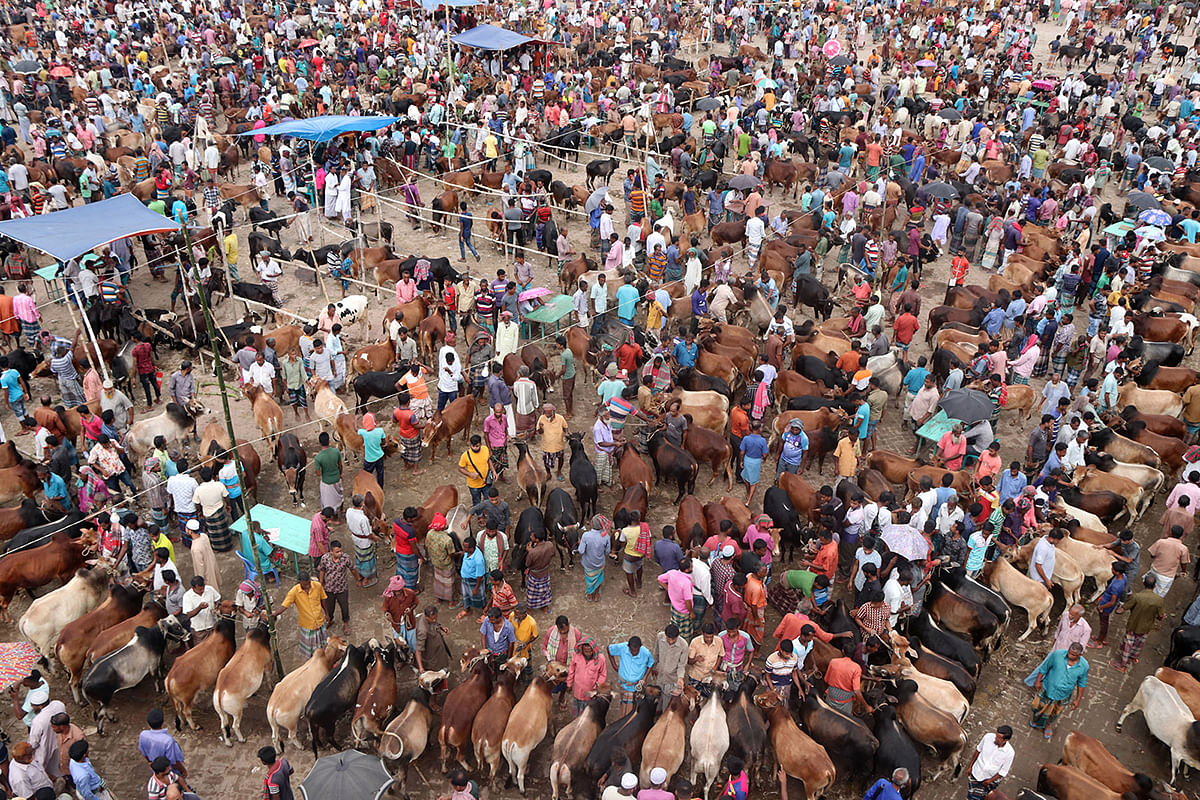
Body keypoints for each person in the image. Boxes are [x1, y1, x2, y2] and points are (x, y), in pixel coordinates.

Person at [1029, 642, 1088, 738]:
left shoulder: (1084, 666)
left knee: (1055, 712)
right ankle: (1036, 720)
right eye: (1069, 652)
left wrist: (1078, 700)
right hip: (1047, 688)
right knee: (1037, 706)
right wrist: (1037, 681)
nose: (1069, 655)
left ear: (1080, 655)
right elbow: (1045, 667)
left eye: (1073, 655)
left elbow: (1082, 683)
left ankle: (1048, 725)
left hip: (1063, 694)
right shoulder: (1057, 655)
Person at [1112, 572, 1166, 672]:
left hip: (1133, 624)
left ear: (1143, 584)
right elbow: (1161, 616)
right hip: (1146, 627)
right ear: (1154, 586)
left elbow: (1121, 610)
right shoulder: (1159, 600)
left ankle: (1123, 665)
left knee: (1128, 644)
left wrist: (1118, 607)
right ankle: (1133, 657)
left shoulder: (1136, 597)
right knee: (1139, 643)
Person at [273, 572, 329, 659]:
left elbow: (323, 600)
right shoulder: (294, 592)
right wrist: (275, 614)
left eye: (309, 583)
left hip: (319, 620)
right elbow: (285, 605)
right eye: (305, 584)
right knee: (310, 648)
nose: (308, 586)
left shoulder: (317, 586)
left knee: (322, 643)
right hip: (307, 624)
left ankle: (322, 658)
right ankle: (313, 661)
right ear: (299, 582)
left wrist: (327, 614)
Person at [319, 540, 358, 636]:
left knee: (344, 607)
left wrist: (357, 579)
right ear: (331, 551)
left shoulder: (346, 558)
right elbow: (322, 570)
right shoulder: (325, 558)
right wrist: (321, 582)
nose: (340, 553)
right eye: (337, 552)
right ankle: (330, 620)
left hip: (342, 588)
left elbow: (352, 569)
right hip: (329, 588)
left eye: (340, 551)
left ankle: (346, 624)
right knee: (329, 607)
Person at [966, 726, 1015, 800]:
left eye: (999, 738)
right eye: (996, 735)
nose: (995, 738)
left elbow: (1003, 772)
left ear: (1006, 740)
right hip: (976, 772)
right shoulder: (987, 737)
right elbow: (978, 750)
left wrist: (989, 781)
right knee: (971, 794)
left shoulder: (1010, 753)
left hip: (988, 780)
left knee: (981, 797)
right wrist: (970, 766)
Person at [608, 636, 654, 714]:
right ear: (628, 646)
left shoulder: (646, 653)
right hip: (624, 685)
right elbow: (609, 649)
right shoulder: (622, 647)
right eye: (632, 650)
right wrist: (615, 666)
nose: (634, 653)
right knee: (625, 709)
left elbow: (651, 663)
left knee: (636, 708)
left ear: (641, 646)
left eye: (636, 650)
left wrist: (645, 677)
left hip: (637, 686)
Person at [138, 708, 187, 780]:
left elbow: (144, 753)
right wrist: (183, 770)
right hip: (169, 771)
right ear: (162, 722)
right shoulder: (168, 741)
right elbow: (174, 761)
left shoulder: (143, 735)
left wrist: (150, 762)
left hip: (156, 769)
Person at [181, 576, 220, 645]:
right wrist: (199, 608)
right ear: (193, 588)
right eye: (200, 589)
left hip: (213, 626)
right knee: (202, 650)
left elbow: (217, 599)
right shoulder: (187, 596)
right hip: (200, 630)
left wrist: (216, 607)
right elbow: (188, 614)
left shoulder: (210, 589)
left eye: (203, 588)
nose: (202, 591)